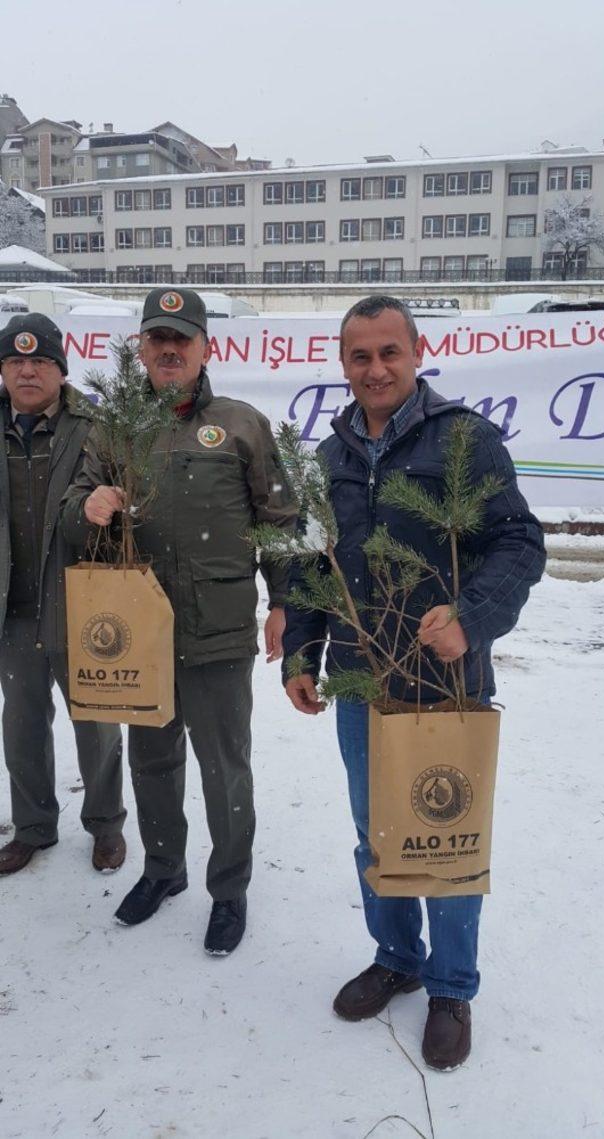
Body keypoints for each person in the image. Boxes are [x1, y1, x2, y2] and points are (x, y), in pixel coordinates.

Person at [283, 295, 546, 1070]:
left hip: (445, 682)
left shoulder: (463, 439)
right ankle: (395, 956)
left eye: (388, 352)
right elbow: (306, 564)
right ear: (343, 363)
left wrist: (472, 615)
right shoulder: (327, 459)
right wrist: (303, 652)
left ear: (416, 351)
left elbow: (520, 543)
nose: (375, 369)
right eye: (359, 356)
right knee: (377, 831)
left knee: (446, 837)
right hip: (361, 683)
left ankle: (451, 987)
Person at [61, 287, 297, 954]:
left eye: (182, 338)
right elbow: (74, 506)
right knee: (153, 758)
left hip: (218, 626)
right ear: (140, 349)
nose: (169, 348)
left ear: (205, 347)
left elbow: (280, 522)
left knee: (226, 766)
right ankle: (163, 869)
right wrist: (91, 502)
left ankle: (229, 889)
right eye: (157, 337)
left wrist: (282, 601)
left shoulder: (243, 423)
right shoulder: (112, 432)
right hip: (140, 631)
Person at [0, 314, 126, 876]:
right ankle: (31, 827)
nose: (27, 371)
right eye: (15, 361)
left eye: (40, 360)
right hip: (12, 609)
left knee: (96, 722)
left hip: (79, 604)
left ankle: (106, 826)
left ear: (61, 369)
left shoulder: (94, 427)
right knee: (22, 723)